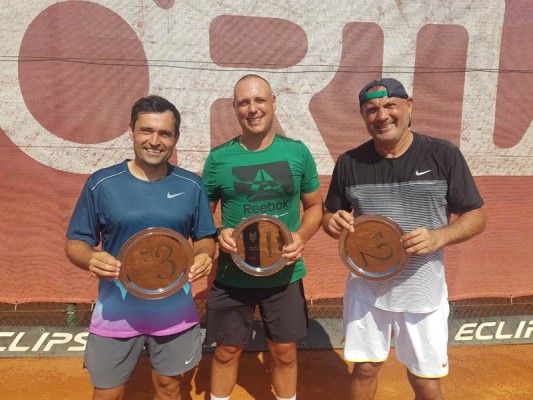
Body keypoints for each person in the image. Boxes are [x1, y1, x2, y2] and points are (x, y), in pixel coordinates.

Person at [322, 78, 486, 400]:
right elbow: (330, 216)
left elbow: (476, 216)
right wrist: (333, 222)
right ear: (363, 115)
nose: (381, 115)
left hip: (422, 293)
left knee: (426, 381)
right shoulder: (349, 163)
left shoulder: (443, 155)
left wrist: (439, 237)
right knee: (364, 369)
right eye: (372, 109)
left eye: (389, 105)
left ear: (408, 106)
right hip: (366, 290)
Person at [65, 95, 216, 400]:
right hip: (115, 314)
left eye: (164, 133)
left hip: (174, 314)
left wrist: (203, 254)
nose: (154, 141)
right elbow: (76, 242)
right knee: (107, 394)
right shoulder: (101, 184)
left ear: (175, 138)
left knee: (169, 389)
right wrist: (90, 258)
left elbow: (204, 237)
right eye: (146, 130)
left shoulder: (191, 185)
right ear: (131, 131)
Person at [201, 74, 323, 400]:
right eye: (244, 102)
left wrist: (301, 236)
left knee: (284, 352)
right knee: (226, 351)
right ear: (234, 108)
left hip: (284, 274)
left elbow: (315, 207)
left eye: (259, 100)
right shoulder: (218, 158)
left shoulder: (297, 152)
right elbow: (202, 215)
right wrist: (218, 232)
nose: (252, 109)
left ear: (273, 103)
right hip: (233, 275)